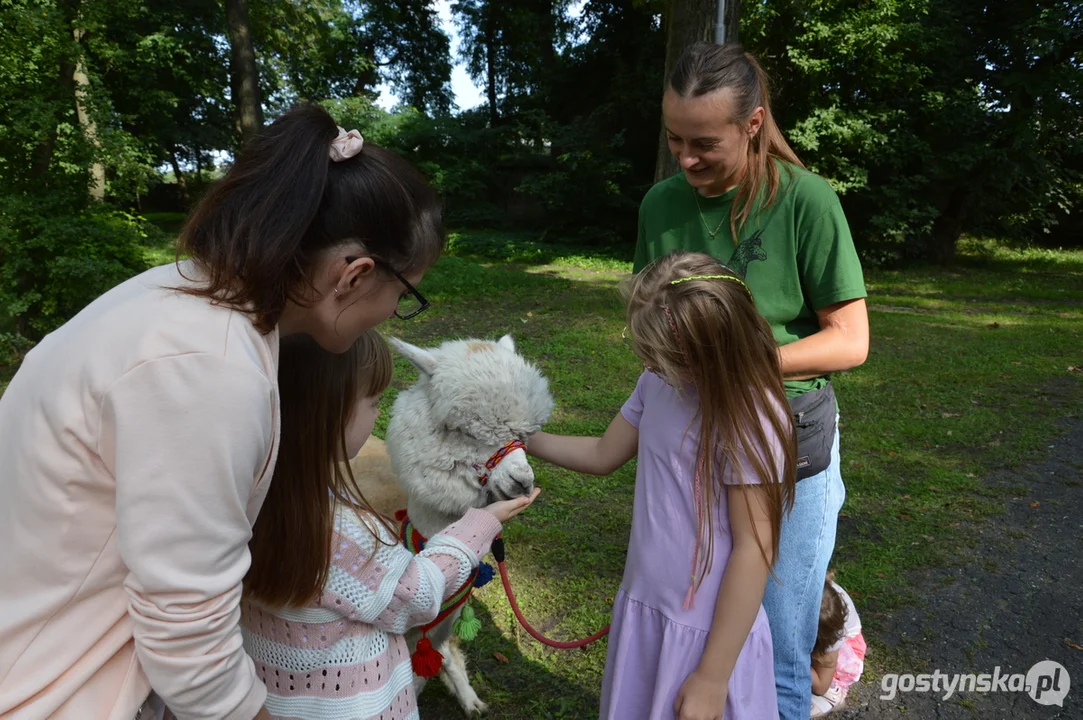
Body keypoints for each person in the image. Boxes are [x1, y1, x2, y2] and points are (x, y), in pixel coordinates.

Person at [0, 104, 444, 720]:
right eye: (406, 293)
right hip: (55, 690)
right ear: (355, 275)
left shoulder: (183, 298)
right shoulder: (209, 368)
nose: (396, 311)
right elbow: (188, 636)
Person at [632, 41, 869, 720]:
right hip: (695, 443)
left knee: (777, 645)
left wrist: (735, 363)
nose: (684, 158)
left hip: (788, 441)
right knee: (702, 629)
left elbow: (849, 342)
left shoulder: (807, 201)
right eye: (673, 138)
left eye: (703, 142)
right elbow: (658, 323)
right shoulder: (659, 205)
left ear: (753, 123)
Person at [528, 251, 796, 720]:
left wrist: (713, 677)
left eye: (663, 356)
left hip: (708, 632)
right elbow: (601, 454)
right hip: (647, 606)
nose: (647, 361)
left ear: (715, 350)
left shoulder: (752, 415)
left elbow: (755, 549)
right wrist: (523, 439)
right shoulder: (657, 382)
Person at [240, 330, 539, 720]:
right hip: (357, 704)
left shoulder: (247, 505)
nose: (381, 414)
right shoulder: (348, 533)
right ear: (330, 413)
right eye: (376, 403)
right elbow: (415, 599)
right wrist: (478, 527)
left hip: (276, 693)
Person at [810, 573, 865, 717]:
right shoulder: (822, 595)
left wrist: (792, 662)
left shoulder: (828, 628)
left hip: (844, 651)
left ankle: (834, 695)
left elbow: (821, 686)